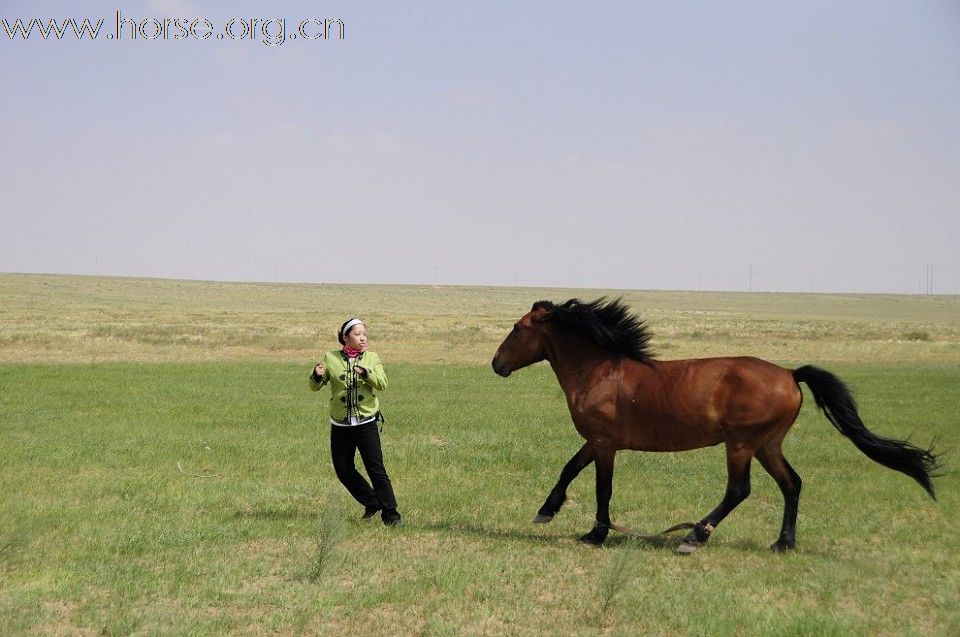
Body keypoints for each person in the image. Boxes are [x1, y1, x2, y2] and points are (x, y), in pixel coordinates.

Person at [309, 318, 402, 526]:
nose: (362, 338)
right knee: (343, 469)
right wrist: (316, 375)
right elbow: (315, 386)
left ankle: (392, 515)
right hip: (341, 424)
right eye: (357, 334)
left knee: (376, 469)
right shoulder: (331, 358)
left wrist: (367, 373)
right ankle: (372, 502)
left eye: (364, 334)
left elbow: (383, 384)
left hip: (366, 423)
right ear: (345, 338)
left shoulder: (372, 358)